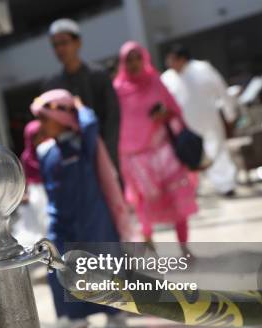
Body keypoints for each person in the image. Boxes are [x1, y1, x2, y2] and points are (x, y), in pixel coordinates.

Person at [32, 89, 134, 328]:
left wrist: (78, 104)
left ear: (62, 117)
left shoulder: (84, 143)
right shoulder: (44, 151)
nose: (40, 125)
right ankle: (78, 324)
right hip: (61, 223)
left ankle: (116, 321)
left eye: (45, 118)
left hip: (93, 220)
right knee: (59, 271)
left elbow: (90, 122)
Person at [113, 41, 198, 254]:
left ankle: (184, 247)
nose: (133, 63)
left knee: (178, 197)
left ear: (144, 58)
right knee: (144, 203)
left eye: (137, 57)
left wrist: (164, 115)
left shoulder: (155, 82)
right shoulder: (118, 89)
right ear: (123, 63)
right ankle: (150, 247)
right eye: (128, 59)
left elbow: (174, 109)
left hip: (163, 150)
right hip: (134, 158)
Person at [43, 18, 121, 173]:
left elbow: (113, 118)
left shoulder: (98, 75)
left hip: (104, 157)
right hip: (71, 165)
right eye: (55, 45)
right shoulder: (52, 86)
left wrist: (107, 158)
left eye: (64, 42)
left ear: (78, 42)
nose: (60, 49)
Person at [162, 44, 238, 196]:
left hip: (209, 120)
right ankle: (193, 188)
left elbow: (221, 89)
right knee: (191, 155)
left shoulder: (203, 68)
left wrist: (230, 112)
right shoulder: (167, 78)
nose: (171, 64)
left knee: (217, 151)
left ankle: (226, 185)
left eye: (173, 60)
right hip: (187, 126)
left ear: (182, 59)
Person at [12, 120, 49, 246]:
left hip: (50, 189)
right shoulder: (27, 157)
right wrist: (23, 194)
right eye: (37, 136)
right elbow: (25, 178)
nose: (42, 139)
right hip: (36, 193)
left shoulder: (50, 151)